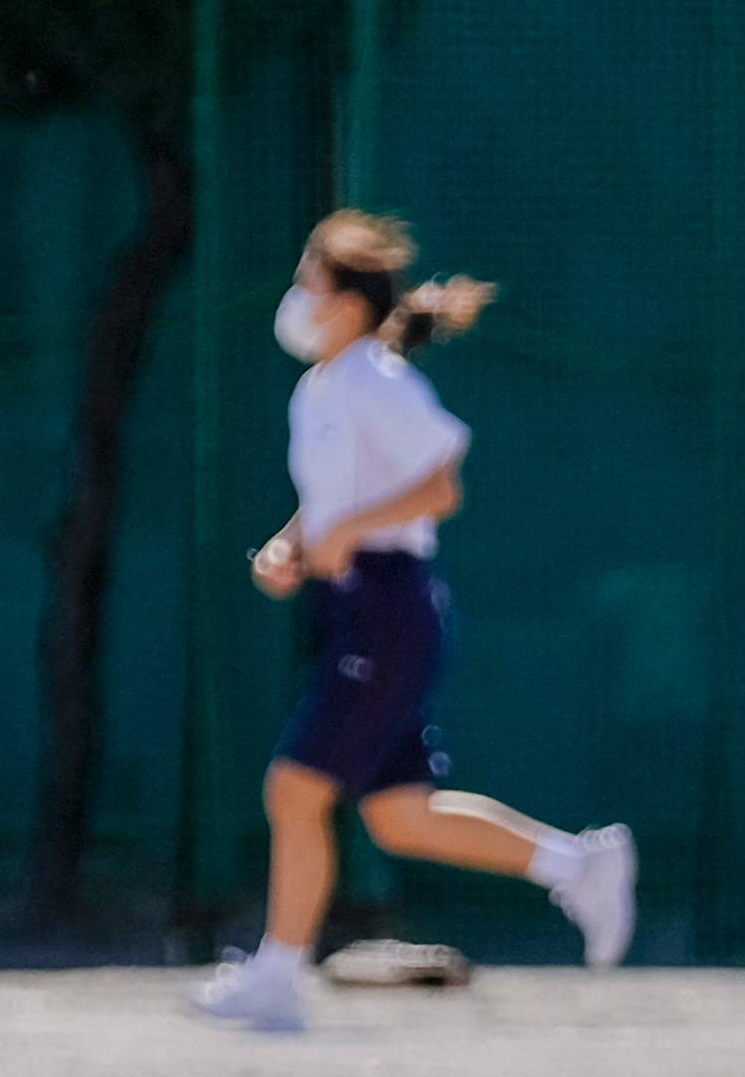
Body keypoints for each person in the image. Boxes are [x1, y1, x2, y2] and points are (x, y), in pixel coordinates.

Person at [193, 212, 642, 1033]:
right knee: (396, 816)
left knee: (294, 790)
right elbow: (331, 500)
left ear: (349, 305)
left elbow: (440, 488)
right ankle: (579, 865)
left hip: (388, 608)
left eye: (309, 285)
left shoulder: (378, 378)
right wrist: (289, 545)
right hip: (353, 609)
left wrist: (347, 535)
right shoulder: (320, 388)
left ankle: (278, 975)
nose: (294, 300)